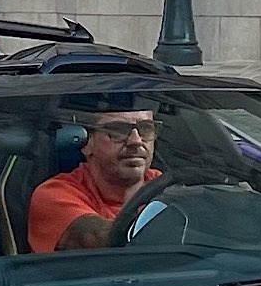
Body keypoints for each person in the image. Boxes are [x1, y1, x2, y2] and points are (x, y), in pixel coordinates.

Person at [29, 95, 162, 253]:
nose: (136, 141)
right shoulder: (53, 195)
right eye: (117, 131)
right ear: (86, 142)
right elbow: (107, 241)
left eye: (146, 129)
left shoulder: (168, 188)